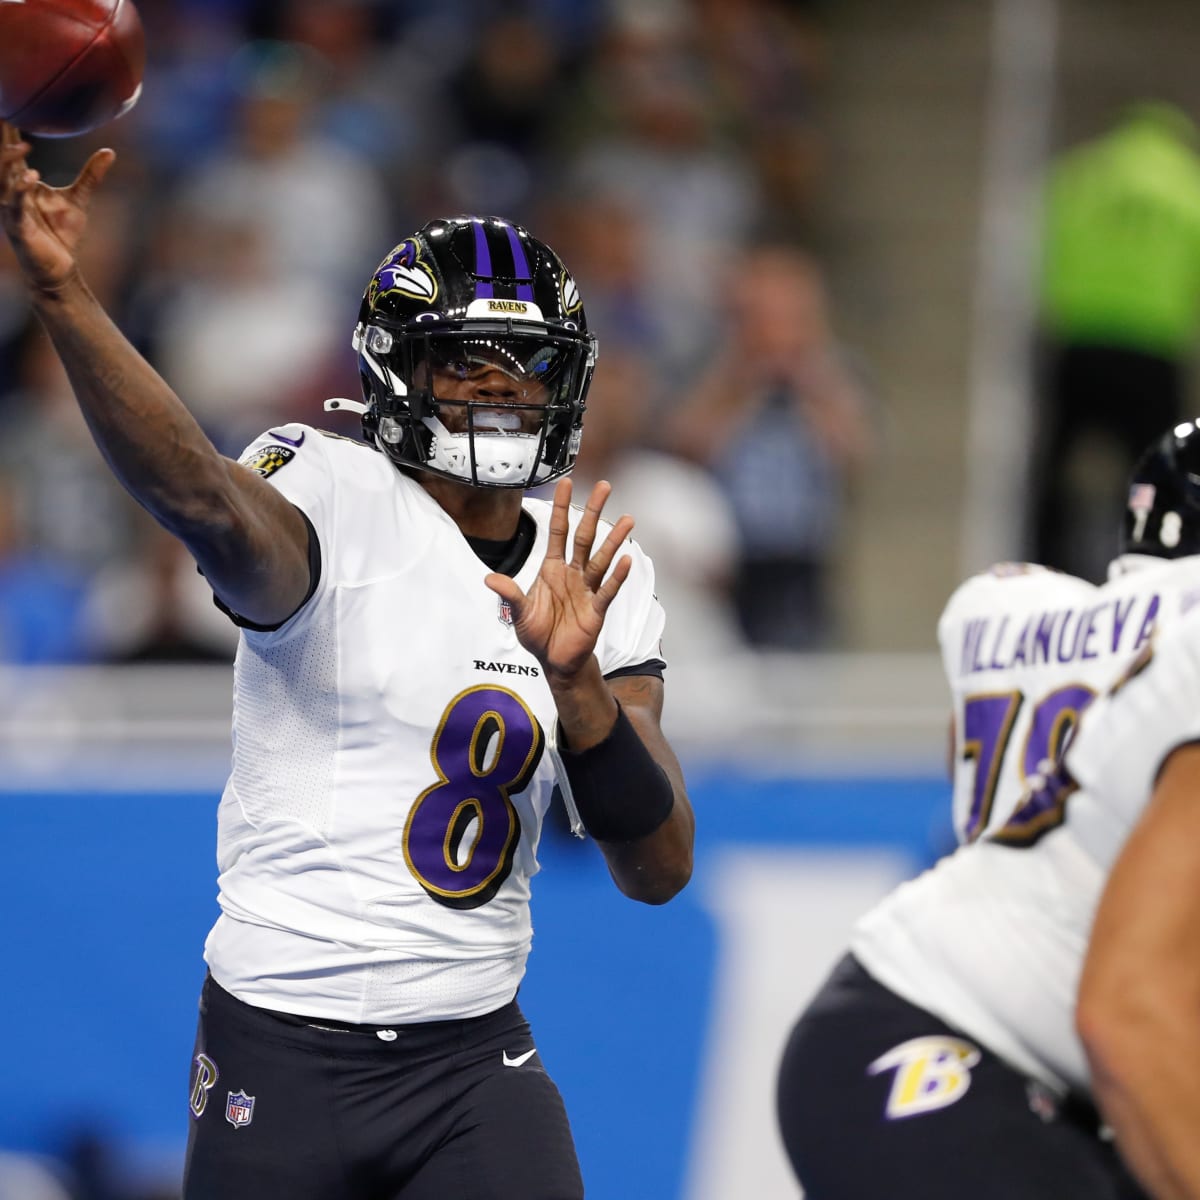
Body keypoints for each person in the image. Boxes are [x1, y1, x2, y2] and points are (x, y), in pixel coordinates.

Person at [0, 125, 694, 1199]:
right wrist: (64, 299)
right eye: (467, 362)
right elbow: (198, 499)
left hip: (472, 1055)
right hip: (280, 1040)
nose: (501, 392)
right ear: (397, 373)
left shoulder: (596, 562)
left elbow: (658, 868)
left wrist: (581, 693)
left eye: (528, 365)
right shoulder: (331, 492)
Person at [775, 420, 1200, 1199]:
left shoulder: (1013, 608)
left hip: (1037, 1036)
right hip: (954, 1025)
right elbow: (1127, 1012)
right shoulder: (1189, 644)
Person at [1031, 101, 1200, 582]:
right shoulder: (1189, 184)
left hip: (1080, 339)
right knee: (1156, 476)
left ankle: (1045, 567)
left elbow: (1043, 249)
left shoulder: (1077, 175)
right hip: (1153, 344)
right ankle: (1152, 572)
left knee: (1057, 470)